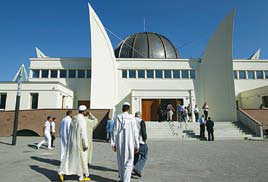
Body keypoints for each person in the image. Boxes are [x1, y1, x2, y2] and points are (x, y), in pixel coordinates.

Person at [58, 105, 90, 182]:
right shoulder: (81, 119)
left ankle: (62, 172)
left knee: (69, 158)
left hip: (72, 142)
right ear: (84, 111)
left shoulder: (74, 118)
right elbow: (83, 133)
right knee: (81, 159)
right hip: (79, 142)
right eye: (86, 111)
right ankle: (81, 176)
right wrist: (85, 144)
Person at [111, 102, 139, 182]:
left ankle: (122, 178)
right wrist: (137, 145)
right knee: (129, 161)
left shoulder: (118, 117)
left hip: (120, 143)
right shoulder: (132, 118)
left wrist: (113, 143)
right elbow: (135, 132)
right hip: (130, 143)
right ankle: (126, 180)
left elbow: (114, 131)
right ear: (129, 109)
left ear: (122, 108)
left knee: (121, 160)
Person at [133, 112, 148, 178]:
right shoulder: (141, 121)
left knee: (135, 156)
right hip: (140, 141)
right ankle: (137, 169)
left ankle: (135, 168)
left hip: (133, 141)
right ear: (140, 116)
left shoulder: (132, 120)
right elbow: (143, 131)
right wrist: (145, 140)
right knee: (144, 155)